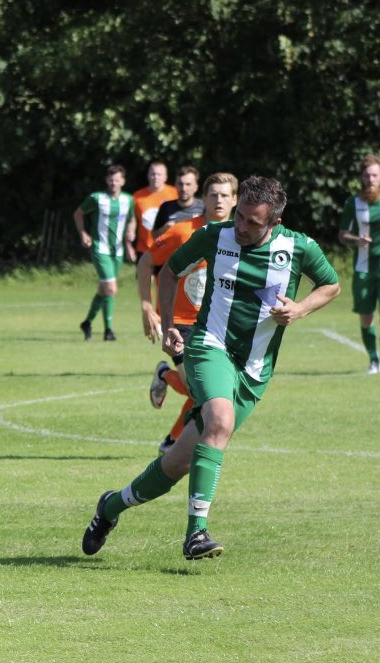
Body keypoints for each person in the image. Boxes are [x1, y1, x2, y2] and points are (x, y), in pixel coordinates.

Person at [82, 175, 340, 560]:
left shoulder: (298, 247)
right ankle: (195, 534)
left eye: (252, 222)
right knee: (219, 420)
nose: (241, 226)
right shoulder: (215, 236)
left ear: (274, 223)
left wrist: (300, 308)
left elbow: (331, 285)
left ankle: (111, 506)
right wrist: (169, 324)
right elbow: (168, 271)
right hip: (208, 346)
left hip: (254, 369)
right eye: (239, 216)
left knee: (177, 463)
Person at [144, 173, 239, 454]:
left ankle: (172, 439)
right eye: (213, 195)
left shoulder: (240, 237)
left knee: (207, 391)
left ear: (235, 200)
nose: (219, 200)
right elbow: (146, 262)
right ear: (204, 199)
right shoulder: (184, 231)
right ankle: (172, 437)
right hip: (181, 324)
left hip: (217, 325)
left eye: (225, 195)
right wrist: (146, 305)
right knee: (201, 390)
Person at [74, 164, 136, 341]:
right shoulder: (97, 198)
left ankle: (86, 323)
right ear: (106, 180)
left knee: (104, 290)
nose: (113, 183)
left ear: (123, 181)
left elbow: (132, 220)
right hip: (99, 248)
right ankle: (108, 331)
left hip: (117, 250)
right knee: (111, 288)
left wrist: (130, 239)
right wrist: (83, 233)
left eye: (117, 179)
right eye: (111, 179)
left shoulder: (128, 200)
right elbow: (78, 213)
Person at [337, 154, 380, 374]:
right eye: (367, 175)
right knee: (366, 316)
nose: (371, 179)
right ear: (361, 177)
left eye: (375, 175)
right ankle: (374, 360)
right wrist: (357, 240)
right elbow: (343, 235)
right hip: (363, 268)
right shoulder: (353, 203)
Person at [132, 161, 178, 261]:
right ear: (148, 176)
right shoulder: (137, 196)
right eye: (153, 174)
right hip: (144, 248)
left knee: (164, 277)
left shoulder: (175, 193)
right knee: (144, 277)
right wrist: (129, 240)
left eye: (159, 174)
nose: (156, 177)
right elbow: (132, 219)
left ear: (165, 177)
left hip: (168, 247)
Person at [151, 165, 205, 240]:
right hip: (172, 251)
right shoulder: (166, 207)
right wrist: (165, 229)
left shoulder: (204, 207)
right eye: (180, 184)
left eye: (188, 184)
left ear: (196, 187)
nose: (184, 188)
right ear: (175, 185)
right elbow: (154, 236)